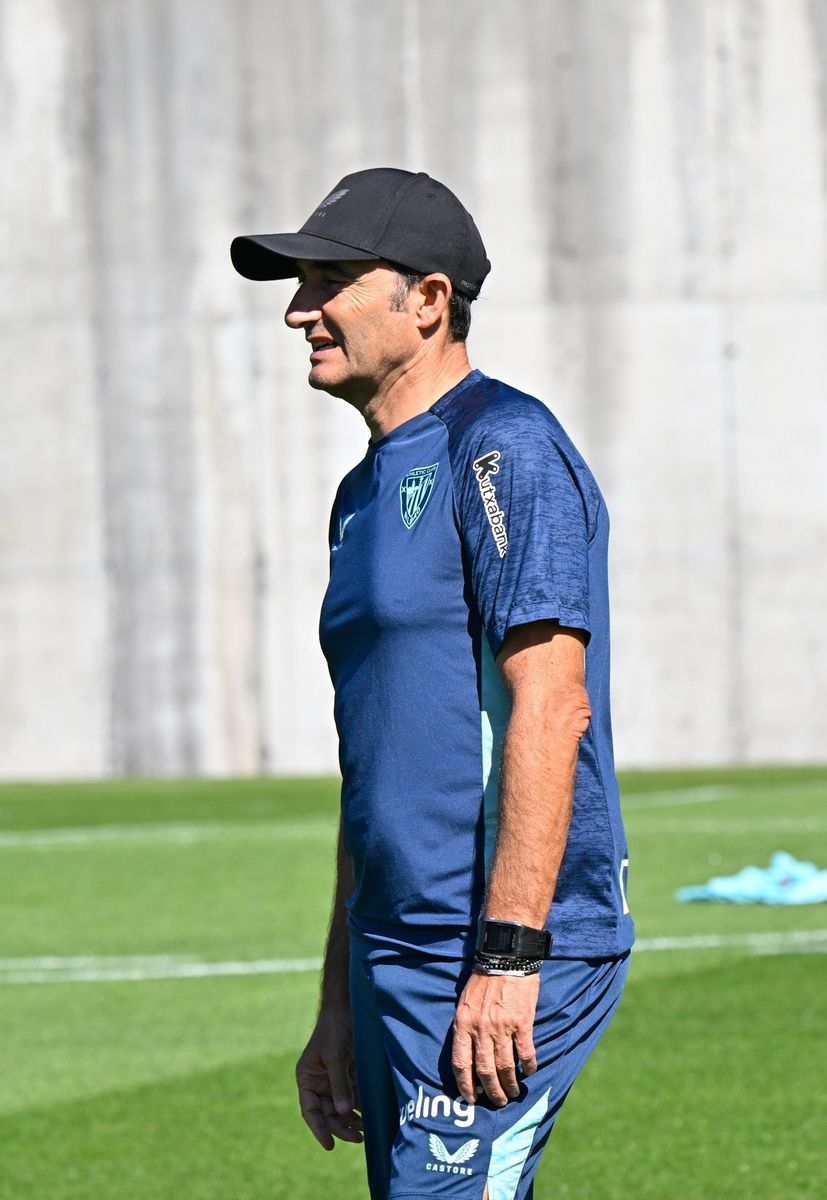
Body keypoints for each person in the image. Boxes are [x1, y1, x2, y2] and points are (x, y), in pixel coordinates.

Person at [231, 168, 634, 1200]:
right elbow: (372, 767)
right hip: (392, 947)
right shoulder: (360, 494)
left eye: (327, 281)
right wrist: (336, 998)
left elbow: (550, 704)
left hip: (496, 945)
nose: (296, 311)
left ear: (427, 300)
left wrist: (505, 960)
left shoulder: (503, 449)